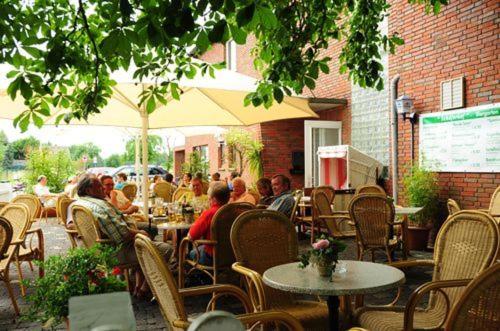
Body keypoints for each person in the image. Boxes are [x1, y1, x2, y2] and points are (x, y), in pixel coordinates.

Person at [76, 175, 173, 297]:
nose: (103, 188)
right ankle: (145, 287)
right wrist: (139, 233)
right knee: (166, 249)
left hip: (97, 249)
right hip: (116, 252)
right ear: (89, 190)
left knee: (145, 237)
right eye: (100, 186)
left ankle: (139, 284)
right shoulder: (101, 207)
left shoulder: (80, 204)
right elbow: (123, 234)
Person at [187, 183, 230, 265]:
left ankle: (198, 276)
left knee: (191, 253)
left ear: (213, 199)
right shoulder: (234, 210)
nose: (208, 200)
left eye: (209, 198)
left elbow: (191, 236)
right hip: (233, 255)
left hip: (213, 256)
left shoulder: (210, 213)